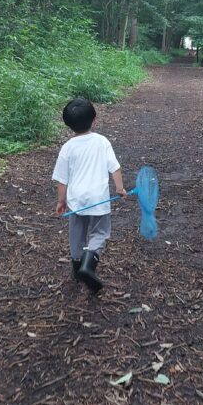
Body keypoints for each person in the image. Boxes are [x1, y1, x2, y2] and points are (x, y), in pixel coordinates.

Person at [52, 98, 126, 293]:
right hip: (99, 199)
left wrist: (61, 200)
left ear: (68, 125)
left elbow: (62, 179)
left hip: (77, 201)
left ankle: (77, 266)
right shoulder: (102, 142)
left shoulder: (68, 147)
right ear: (94, 120)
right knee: (100, 232)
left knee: (76, 233)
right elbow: (115, 168)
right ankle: (89, 264)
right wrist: (119, 188)